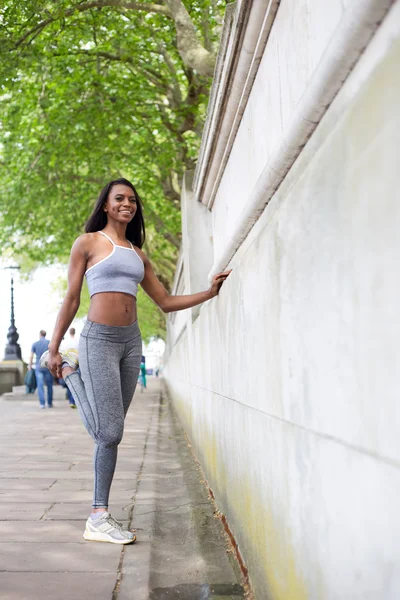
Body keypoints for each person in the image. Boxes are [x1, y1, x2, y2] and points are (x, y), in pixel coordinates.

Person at [41, 178, 231, 545]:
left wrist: (208, 293)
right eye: (119, 198)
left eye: (132, 199)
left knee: (108, 434)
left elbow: (164, 301)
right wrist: (54, 347)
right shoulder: (88, 243)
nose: (127, 203)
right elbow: (71, 298)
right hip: (98, 339)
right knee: (110, 433)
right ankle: (98, 515)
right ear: (107, 205)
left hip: (131, 343)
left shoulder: (137, 253)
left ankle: (99, 513)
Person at [29, 330, 53, 409]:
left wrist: (30, 365)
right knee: (49, 385)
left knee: (40, 385)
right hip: (48, 366)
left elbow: (31, 356)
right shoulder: (49, 343)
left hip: (39, 367)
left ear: (40, 335)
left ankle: (42, 404)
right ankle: (49, 403)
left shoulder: (35, 344)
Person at [59, 327, 78, 408]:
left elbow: (61, 353)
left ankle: (71, 400)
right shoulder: (78, 341)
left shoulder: (65, 342)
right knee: (76, 383)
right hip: (77, 363)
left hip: (67, 364)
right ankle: (74, 400)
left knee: (69, 383)